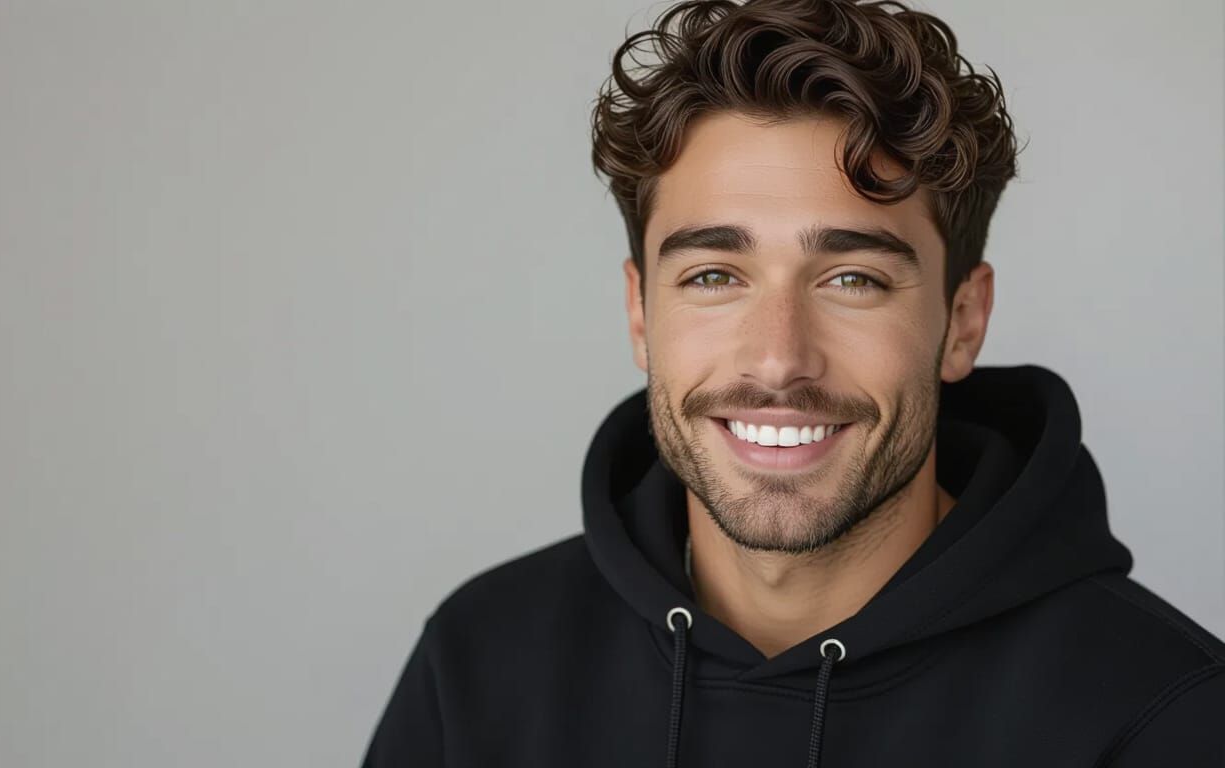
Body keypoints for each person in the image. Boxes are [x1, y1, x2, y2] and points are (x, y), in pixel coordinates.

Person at [361, 1, 1225, 765]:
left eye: (852, 279)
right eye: (713, 277)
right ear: (638, 313)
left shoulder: (1162, 713)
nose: (778, 361)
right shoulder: (479, 664)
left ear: (964, 320)